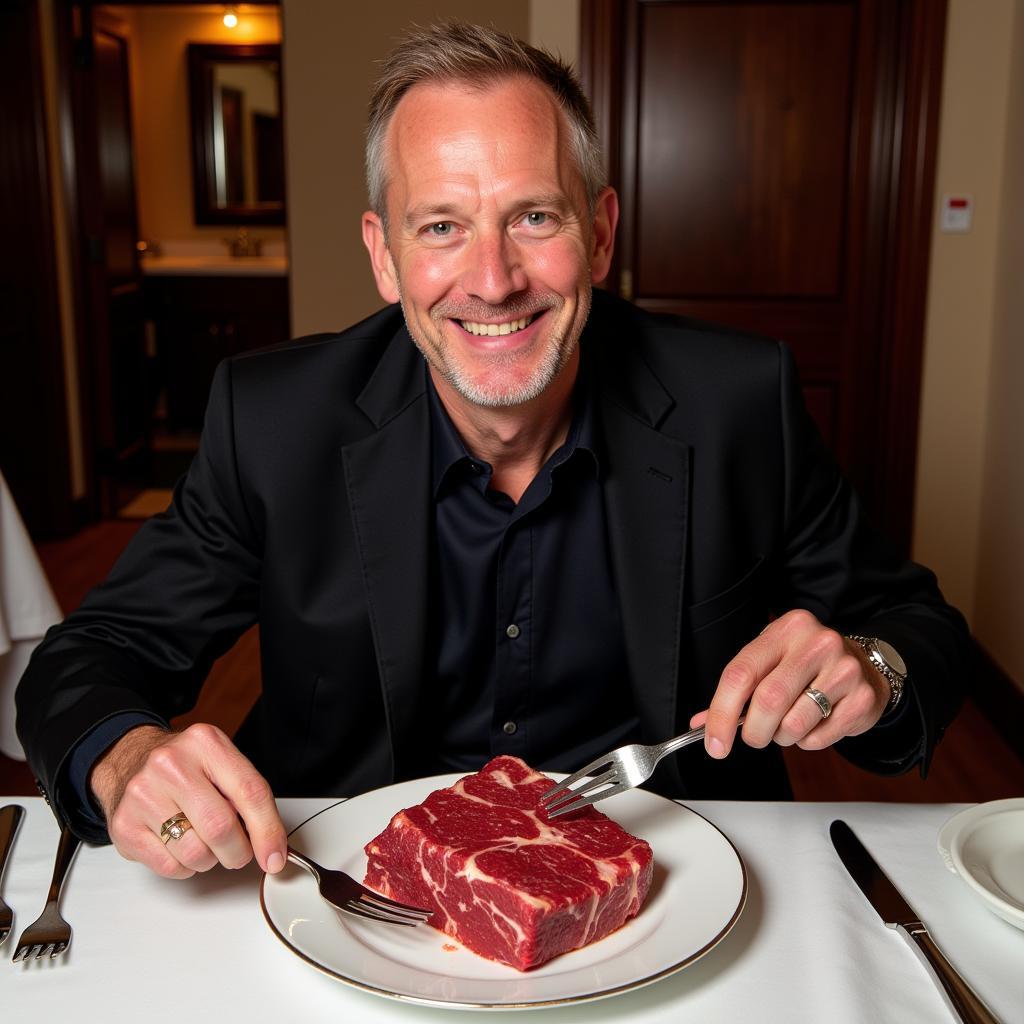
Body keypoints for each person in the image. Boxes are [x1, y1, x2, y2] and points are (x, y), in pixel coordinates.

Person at [17, 23, 968, 881]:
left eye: (534, 217)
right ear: (385, 256)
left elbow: (912, 627)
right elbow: (89, 657)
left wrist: (870, 667)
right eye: (441, 227)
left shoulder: (737, 402)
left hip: (681, 886)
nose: (493, 280)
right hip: (348, 889)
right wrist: (131, 757)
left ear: (598, 236)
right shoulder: (273, 420)